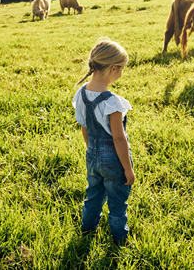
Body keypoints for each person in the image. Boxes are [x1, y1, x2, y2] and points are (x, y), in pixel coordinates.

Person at [72, 38, 135, 246]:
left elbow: (85, 127)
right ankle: (120, 239)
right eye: (121, 69)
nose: (121, 74)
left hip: (92, 155)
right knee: (117, 202)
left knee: (93, 196)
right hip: (113, 160)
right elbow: (119, 138)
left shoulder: (81, 94)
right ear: (113, 68)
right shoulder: (112, 102)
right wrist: (128, 169)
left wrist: (92, 151)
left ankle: (88, 229)